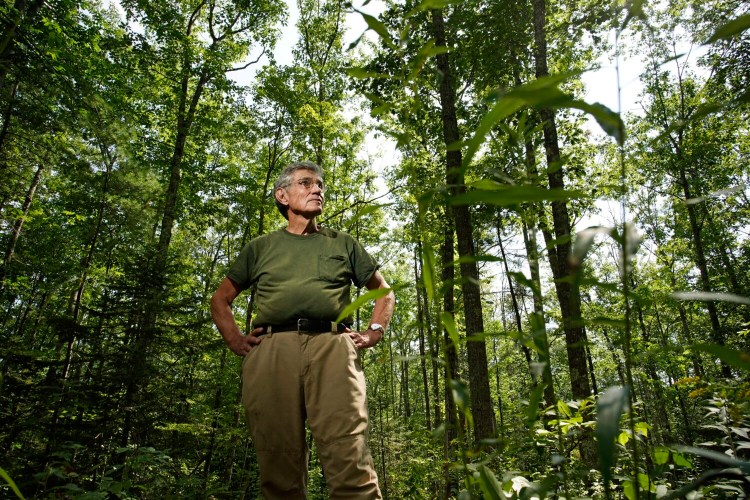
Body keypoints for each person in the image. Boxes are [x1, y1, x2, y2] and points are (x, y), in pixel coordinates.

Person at [211, 161, 395, 499]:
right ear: (282, 195)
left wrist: (372, 333)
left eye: (320, 185)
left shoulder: (343, 243)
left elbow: (383, 292)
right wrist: (236, 340)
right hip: (271, 351)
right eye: (306, 183)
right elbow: (220, 300)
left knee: (348, 453)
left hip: (333, 348)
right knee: (278, 460)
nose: (317, 190)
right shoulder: (260, 247)